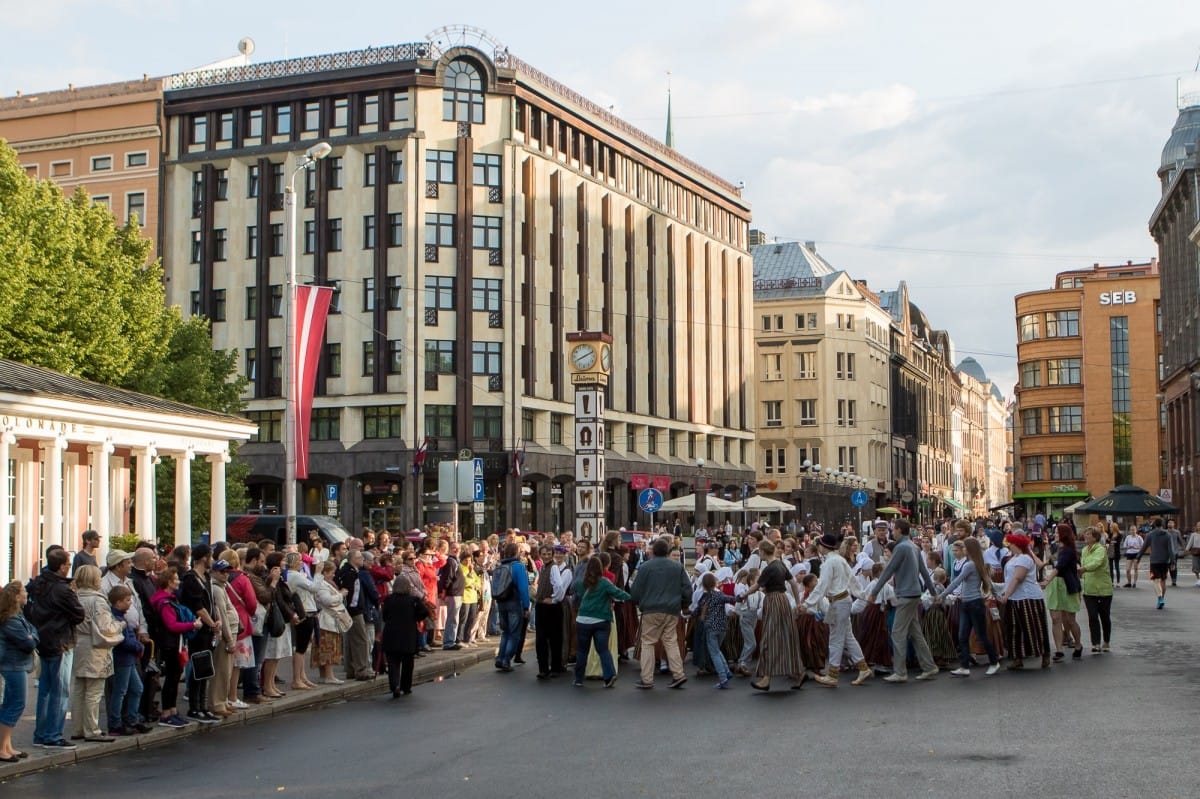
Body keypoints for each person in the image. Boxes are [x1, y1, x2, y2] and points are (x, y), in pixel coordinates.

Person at [26, 546, 85, 750]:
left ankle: (41, 733)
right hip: (61, 640)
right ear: (61, 567)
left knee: (45, 689)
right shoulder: (63, 589)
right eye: (68, 564)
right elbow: (79, 614)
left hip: (43, 639)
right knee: (60, 691)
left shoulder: (36, 584)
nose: (69, 567)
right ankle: (53, 735)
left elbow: (28, 609)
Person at [866, 519, 939, 683]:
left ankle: (900, 671)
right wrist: (933, 593)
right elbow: (925, 573)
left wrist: (874, 591)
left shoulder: (900, 548)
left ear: (899, 530)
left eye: (894, 529)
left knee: (898, 633)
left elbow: (888, 571)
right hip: (914, 593)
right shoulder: (914, 546)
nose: (892, 532)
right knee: (915, 632)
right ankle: (929, 666)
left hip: (905, 594)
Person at [806, 532, 872, 687]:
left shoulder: (829, 563)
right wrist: (863, 595)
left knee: (835, 639)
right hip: (843, 600)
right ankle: (863, 668)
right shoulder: (840, 560)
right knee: (848, 637)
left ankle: (833, 674)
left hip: (838, 602)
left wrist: (808, 603)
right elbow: (853, 581)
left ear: (823, 547)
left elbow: (822, 585)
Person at [69, 565, 123, 742]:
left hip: (77, 643)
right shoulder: (98, 600)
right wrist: (120, 626)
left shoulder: (74, 597)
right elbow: (105, 627)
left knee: (79, 688)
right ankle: (92, 729)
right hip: (95, 647)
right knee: (94, 690)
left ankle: (78, 728)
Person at [630, 536, 692, 689]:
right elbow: (687, 589)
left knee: (648, 642)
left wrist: (639, 602)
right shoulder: (677, 567)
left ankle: (647, 678)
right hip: (672, 609)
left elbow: (636, 591)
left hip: (651, 608)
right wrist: (684, 604)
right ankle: (678, 673)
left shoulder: (645, 567)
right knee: (670, 641)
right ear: (667, 551)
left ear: (653, 552)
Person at [937, 537, 1000, 677]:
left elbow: (956, 582)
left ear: (970, 549)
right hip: (969, 603)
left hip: (973, 603)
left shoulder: (970, 565)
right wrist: (998, 595)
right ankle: (965, 666)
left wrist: (941, 595)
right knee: (963, 636)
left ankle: (994, 662)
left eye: (964, 547)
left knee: (979, 635)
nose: (962, 550)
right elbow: (989, 581)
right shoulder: (976, 563)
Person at [750, 539, 805, 692]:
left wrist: (743, 594)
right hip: (783, 601)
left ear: (762, 551)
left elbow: (756, 586)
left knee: (769, 638)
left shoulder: (769, 568)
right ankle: (798, 672)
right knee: (787, 636)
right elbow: (793, 583)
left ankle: (766, 678)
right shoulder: (780, 564)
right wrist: (798, 601)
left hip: (773, 601)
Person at [179, 544, 221, 723]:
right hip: (199, 629)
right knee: (199, 666)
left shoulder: (206, 577)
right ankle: (194, 707)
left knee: (206, 668)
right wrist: (212, 624)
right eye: (210, 556)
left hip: (209, 629)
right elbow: (198, 607)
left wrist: (216, 619)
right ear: (204, 557)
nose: (211, 560)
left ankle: (203, 706)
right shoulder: (190, 579)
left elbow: (211, 602)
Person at [572, 556, 630, 688]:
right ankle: (609, 676)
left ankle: (578, 679)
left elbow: (575, 588)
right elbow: (618, 593)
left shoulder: (582, 582)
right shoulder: (604, 582)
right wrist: (632, 597)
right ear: (601, 568)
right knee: (603, 650)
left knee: (582, 651)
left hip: (583, 619)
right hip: (601, 619)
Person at [998, 533, 1051, 670]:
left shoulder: (1025, 558)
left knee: (1033, 627)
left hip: (1027, 597)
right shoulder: (1014, 558)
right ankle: (1017, 657)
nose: (1009, 545)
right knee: (1015, 629)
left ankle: (1044, 653)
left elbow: (1018, 578)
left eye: (1011, 543)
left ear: (1016, 545)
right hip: (1015, 598)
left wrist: (1006, 595)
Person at [0, 581, 38, 761]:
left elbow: (33, 633)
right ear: (16, 597)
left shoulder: (18, 616)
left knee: (10, 704)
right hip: (13, 665)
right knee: (16, 704)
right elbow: (28, 642)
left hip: (16, 664)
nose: (26, 595)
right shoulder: (12, 620)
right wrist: (30, 637)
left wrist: (31, 636)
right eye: (23, 592)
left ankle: (7, 745)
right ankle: (2, 748)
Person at [380, 575, 430, 697]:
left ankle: (394, 686)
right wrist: (416, 619)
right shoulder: (413, 600)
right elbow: (424, 612)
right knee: (408, 663)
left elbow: (385, 616)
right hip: (408, 635)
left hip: (391, 634)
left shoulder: (389, 599)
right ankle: (405, 686)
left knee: (393, 663)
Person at [1044, 524, 1083, 661]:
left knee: (1070, 620)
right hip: (1056, 584)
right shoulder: (1055, 547)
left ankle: (1078, 644)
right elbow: (1048, 563)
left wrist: (1047, 580)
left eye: (1057, 532)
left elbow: (1059, 567)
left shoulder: (1068, 550)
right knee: (1056, 619)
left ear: (1064, 534)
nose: (1054, 534)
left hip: (1066, 585)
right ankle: (1059, 650)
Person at [206, 560, 240, 717]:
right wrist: (229, 639)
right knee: (221, 670)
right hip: (226, 635)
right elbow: (223, 615)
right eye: (222, 571)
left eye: (227, 571)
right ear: (213, 572)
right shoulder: (216, 589)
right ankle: (217, 702)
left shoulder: (222, 587)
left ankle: (223, 700)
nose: (225, 574)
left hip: (231, 631)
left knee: (227, 670)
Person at [534, 545, 572, 679]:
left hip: (551, 607)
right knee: (541, 639)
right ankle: (543, 668)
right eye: (543, 554)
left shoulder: (554, 567)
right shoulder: (542, 567)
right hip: (541, 606)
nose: (546, 556)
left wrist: (554, 599)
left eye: (548, 554)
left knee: (554, 637)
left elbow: (559, 586)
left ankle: (555, 667)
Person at [695, 571, 738, 688]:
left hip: (710, 628)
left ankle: (723, 678)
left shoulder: (704, 598)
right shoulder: (719, 595)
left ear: (703, 585)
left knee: (714, 653)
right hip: (722, 626)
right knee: (717, 650)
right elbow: (731, 599)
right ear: (715, 583)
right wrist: (741, 597)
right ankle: (727, 671)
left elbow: (696, 611)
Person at [493, 542, 531, 672]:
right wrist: (526, 606)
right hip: (514, 603)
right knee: (514, 634)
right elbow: (523, 588)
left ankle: (500, 657)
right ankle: (506, 660)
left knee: (505, 632)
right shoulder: (518, 566)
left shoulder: (500, 565)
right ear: (517, 553)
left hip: (501, 602)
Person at [283, 551, 319, 689]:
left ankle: (302, 676)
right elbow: (314, 587)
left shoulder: (293, 575)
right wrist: (319, 573)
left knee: (303, 647)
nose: (302, 563)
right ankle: (297, 679)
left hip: (307, 609)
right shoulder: (295, 576)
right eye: (299, 561)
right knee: (301, 647)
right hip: (305, 611)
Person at [1078, 525, 1114, 653]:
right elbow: (1083, 563)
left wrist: (1083, 569)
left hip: (1103, 589)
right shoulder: (1084, 550)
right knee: (1092, 617)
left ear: (1095, 537)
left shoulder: (1100, 550)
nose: (1085, 536)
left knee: (1104, 616)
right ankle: (1095, 643)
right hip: (1089, 589)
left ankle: (1106, 641)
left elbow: (1096, 563)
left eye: (1088, 534)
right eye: (1085, 534)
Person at [311, 561, 348, 684]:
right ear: (325, 573)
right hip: (326, 621)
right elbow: (327, 600)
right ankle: (329, 676)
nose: (333, 574)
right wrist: (341, 595)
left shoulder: (326, 584)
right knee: (328, 648)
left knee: (326, 648)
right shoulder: (322, 585)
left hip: (328, 620)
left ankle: (325, 675)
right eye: (332, 572)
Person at [1139, 518, 1176, 610]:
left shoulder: (1150, 535)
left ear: (1154, 525)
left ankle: (1159, 598)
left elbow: (1144, 547)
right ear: (1162, 525)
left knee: (1156, 580)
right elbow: (1171, 550)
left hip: (1154, 560)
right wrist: (1172, 561)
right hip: (1164, 561)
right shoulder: (1167, 535)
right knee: (1163, 580)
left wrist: (1138, 557)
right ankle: (1162, 598)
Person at [1187, 522, 1200, 588]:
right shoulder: (1193, 534)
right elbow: (1190, 542)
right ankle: (1198, 579)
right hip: (1195, 552)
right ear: (1196, 527)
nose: (1199, 527)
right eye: (1198, 526)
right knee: (1195, 567)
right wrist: (1186, 550)